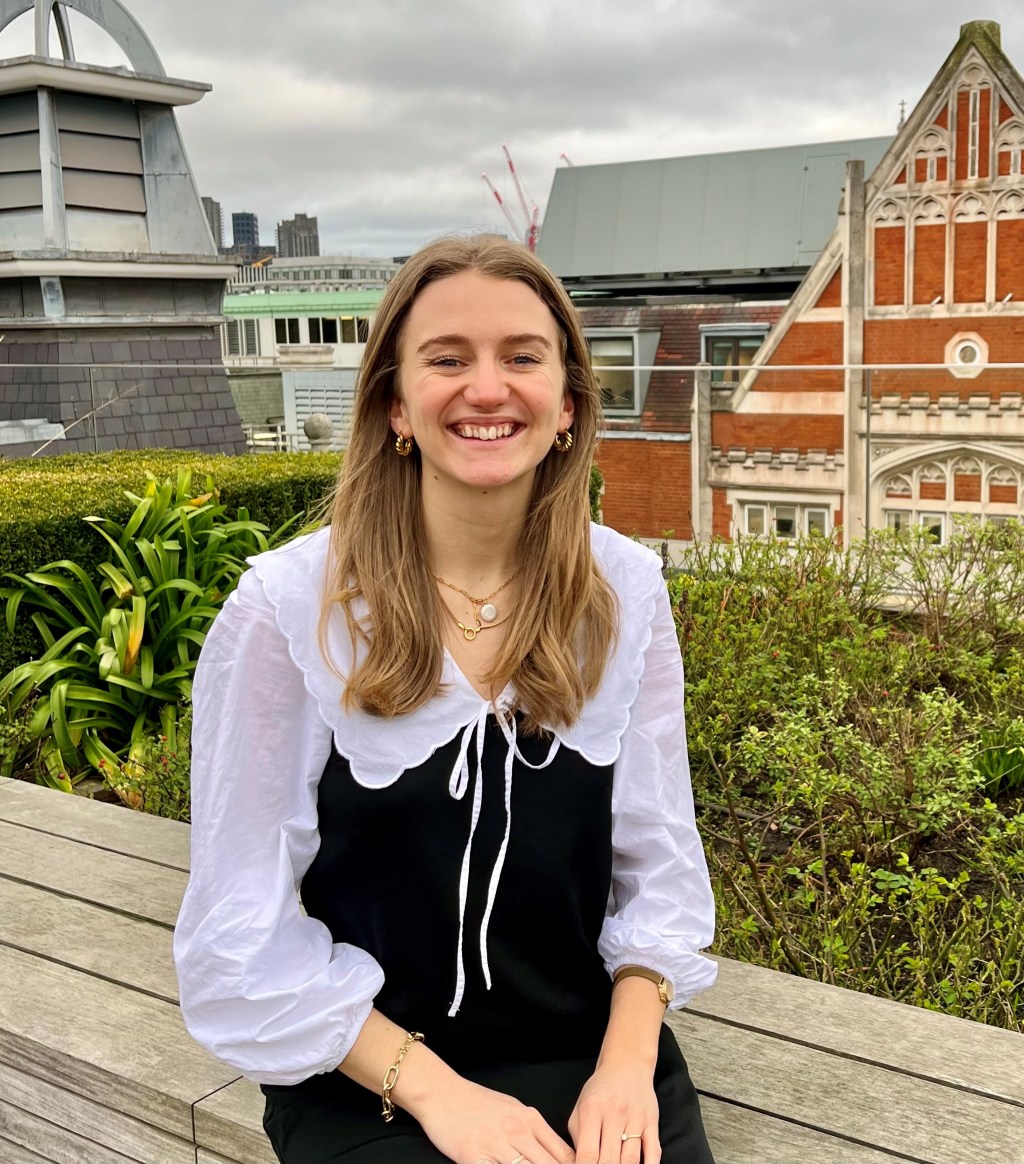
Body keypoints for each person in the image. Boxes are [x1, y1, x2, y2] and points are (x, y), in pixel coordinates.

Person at [173, 234, 718, 1164]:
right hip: (366, 1067)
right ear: (396, 403)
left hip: (594, 1050)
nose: (487, 388)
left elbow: (657, 868)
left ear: (568, 405)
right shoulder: (288, 610)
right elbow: (240, 931)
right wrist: (439, 1096)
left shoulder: (625, 592)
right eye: (448, 359)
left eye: (522, 357)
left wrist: (627, 1066)